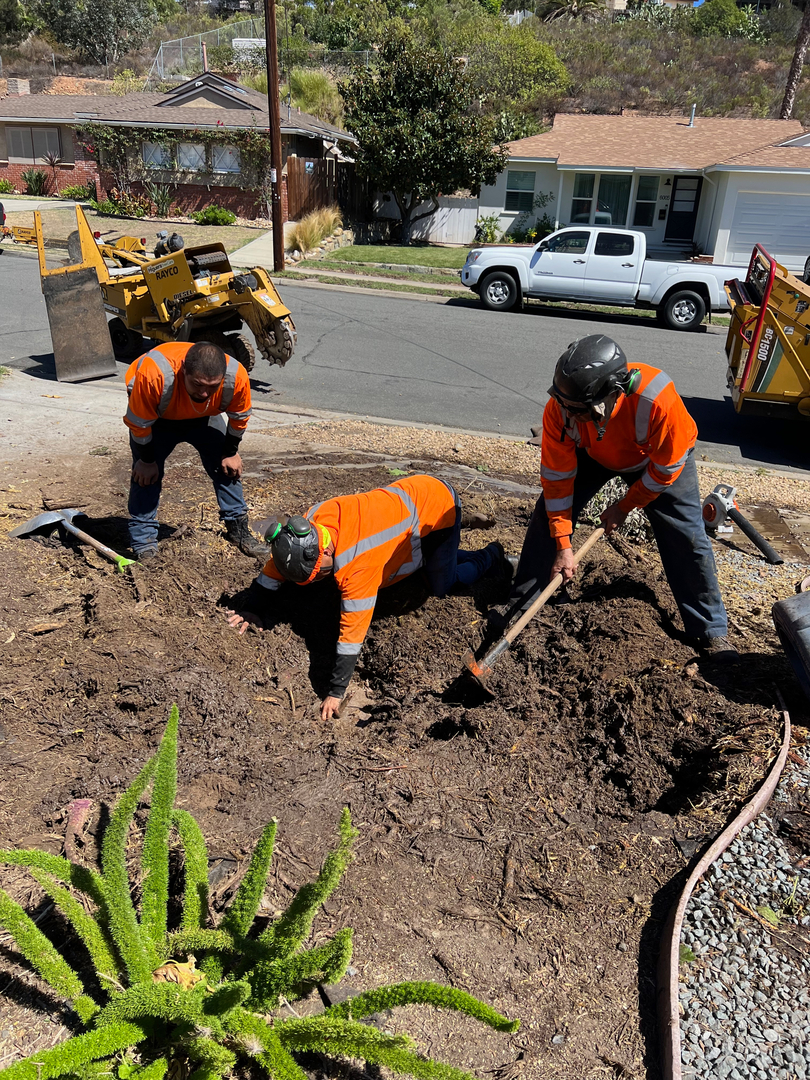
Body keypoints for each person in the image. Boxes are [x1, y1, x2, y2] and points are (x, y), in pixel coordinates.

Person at [491, 334, 736, 660]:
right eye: (566, 406)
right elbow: (557, 483)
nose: (570, 415)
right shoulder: (561, 409)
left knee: (686, 536)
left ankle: (710, 629)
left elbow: (666, 469)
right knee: (546, 516)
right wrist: (563, 544)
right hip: (594, 454)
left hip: (654, 460)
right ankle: (524, 601)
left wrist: (624, 506)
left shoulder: (657, 401)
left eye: (581, 411)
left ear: (614, 394)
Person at [226, 474, 514, 718]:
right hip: (407, 502)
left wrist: (335, 692)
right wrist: (252, 608)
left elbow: (352, 633)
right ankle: (439, 556)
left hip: (439, 505)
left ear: (325, 552)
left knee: (441, 583)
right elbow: (277, 568)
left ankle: (491, 556)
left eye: (319, 575)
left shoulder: (359, 565)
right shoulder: (310, 525)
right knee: (421, 563)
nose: (319, 581)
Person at [124, 340, 268, 561]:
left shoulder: (236, 376)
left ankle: (238, 531)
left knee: (227, 467)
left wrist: (230, 451)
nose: (204, 393)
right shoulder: (153, 375)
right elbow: (139, 423)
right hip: (158, 419)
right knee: (146, 476)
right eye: (197, 384)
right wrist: (146, 460)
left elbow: (239, 417)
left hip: (205, 417)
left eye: (213, 387)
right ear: (183, 371)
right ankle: (143, 542)